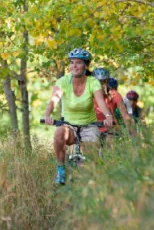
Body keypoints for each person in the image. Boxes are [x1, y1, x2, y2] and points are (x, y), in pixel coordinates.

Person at [43, 48, 113, 185]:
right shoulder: (63, 81)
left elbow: (100, 102)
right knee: (59, 133)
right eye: (71, 63)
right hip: (69, 125)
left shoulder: (93, 82)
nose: (74, 66)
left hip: (90, 125)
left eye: (78, 63)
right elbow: (53, 101)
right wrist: (47, 115)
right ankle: (61, 169)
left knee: (90, 161)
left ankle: (89, 182)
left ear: (86, 66)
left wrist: (108, 115)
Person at [92, 69, 132, 145]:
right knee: (90, 148)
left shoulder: (114, 95)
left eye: (104, 81)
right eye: (98, 82)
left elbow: (125, 115)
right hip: (92, 128)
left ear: (107, 81)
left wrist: (130, 132)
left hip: (110, 128)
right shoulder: (87, 95)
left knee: (110, 142)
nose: (101, 84)